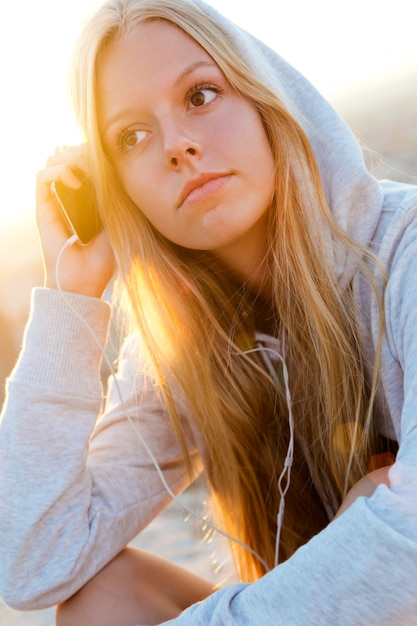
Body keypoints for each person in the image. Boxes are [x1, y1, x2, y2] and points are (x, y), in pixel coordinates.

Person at [0, 0, 416, 623]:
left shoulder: (401, 252)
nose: (177, 146)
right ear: (119, 188)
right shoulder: (183, 348)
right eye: (131, 137)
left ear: (264, 97)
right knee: (102, 598)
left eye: (199, 95)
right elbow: (31, 563)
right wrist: (70, 301)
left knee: (380, 498)